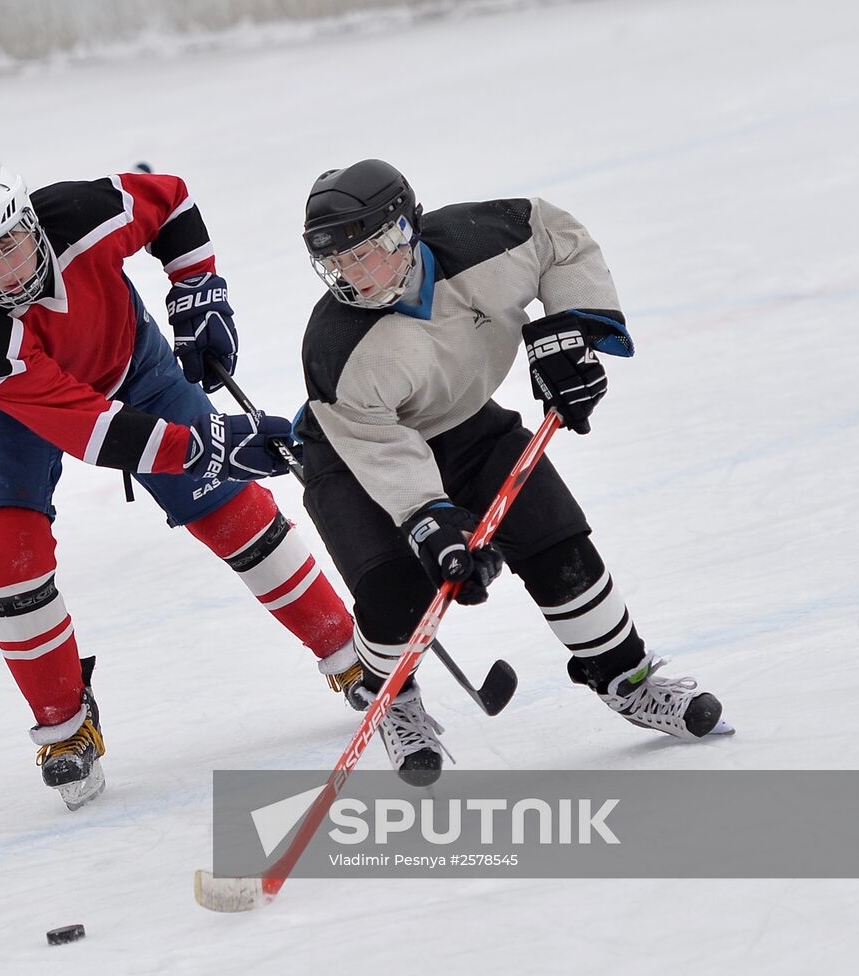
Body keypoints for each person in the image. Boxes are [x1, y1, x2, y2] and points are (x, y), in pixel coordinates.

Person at [0, 158, 361, 810]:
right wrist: (215, 445)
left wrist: (198, 293)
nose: (5, 269)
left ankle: (348, 652)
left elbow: (175, 205)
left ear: (31, 225)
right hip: (15, 412)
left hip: (131, 361)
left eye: (9, 243)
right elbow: (102, 435)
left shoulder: (81, 213)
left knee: (230, 508)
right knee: (2, 560)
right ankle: (66, 730)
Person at [295, 159, 732, 785]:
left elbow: (560, 240)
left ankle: (627, 679)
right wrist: (430, 521)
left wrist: (571, 328)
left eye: (365, 255)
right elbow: (376, 445)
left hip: (470, 426)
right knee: (399, 600)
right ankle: (386, 694)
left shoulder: (484, 241)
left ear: (403, 231)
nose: (353, 277)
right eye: (338, 264)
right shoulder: (336, 345)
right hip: (354, 461)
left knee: (562, 550)